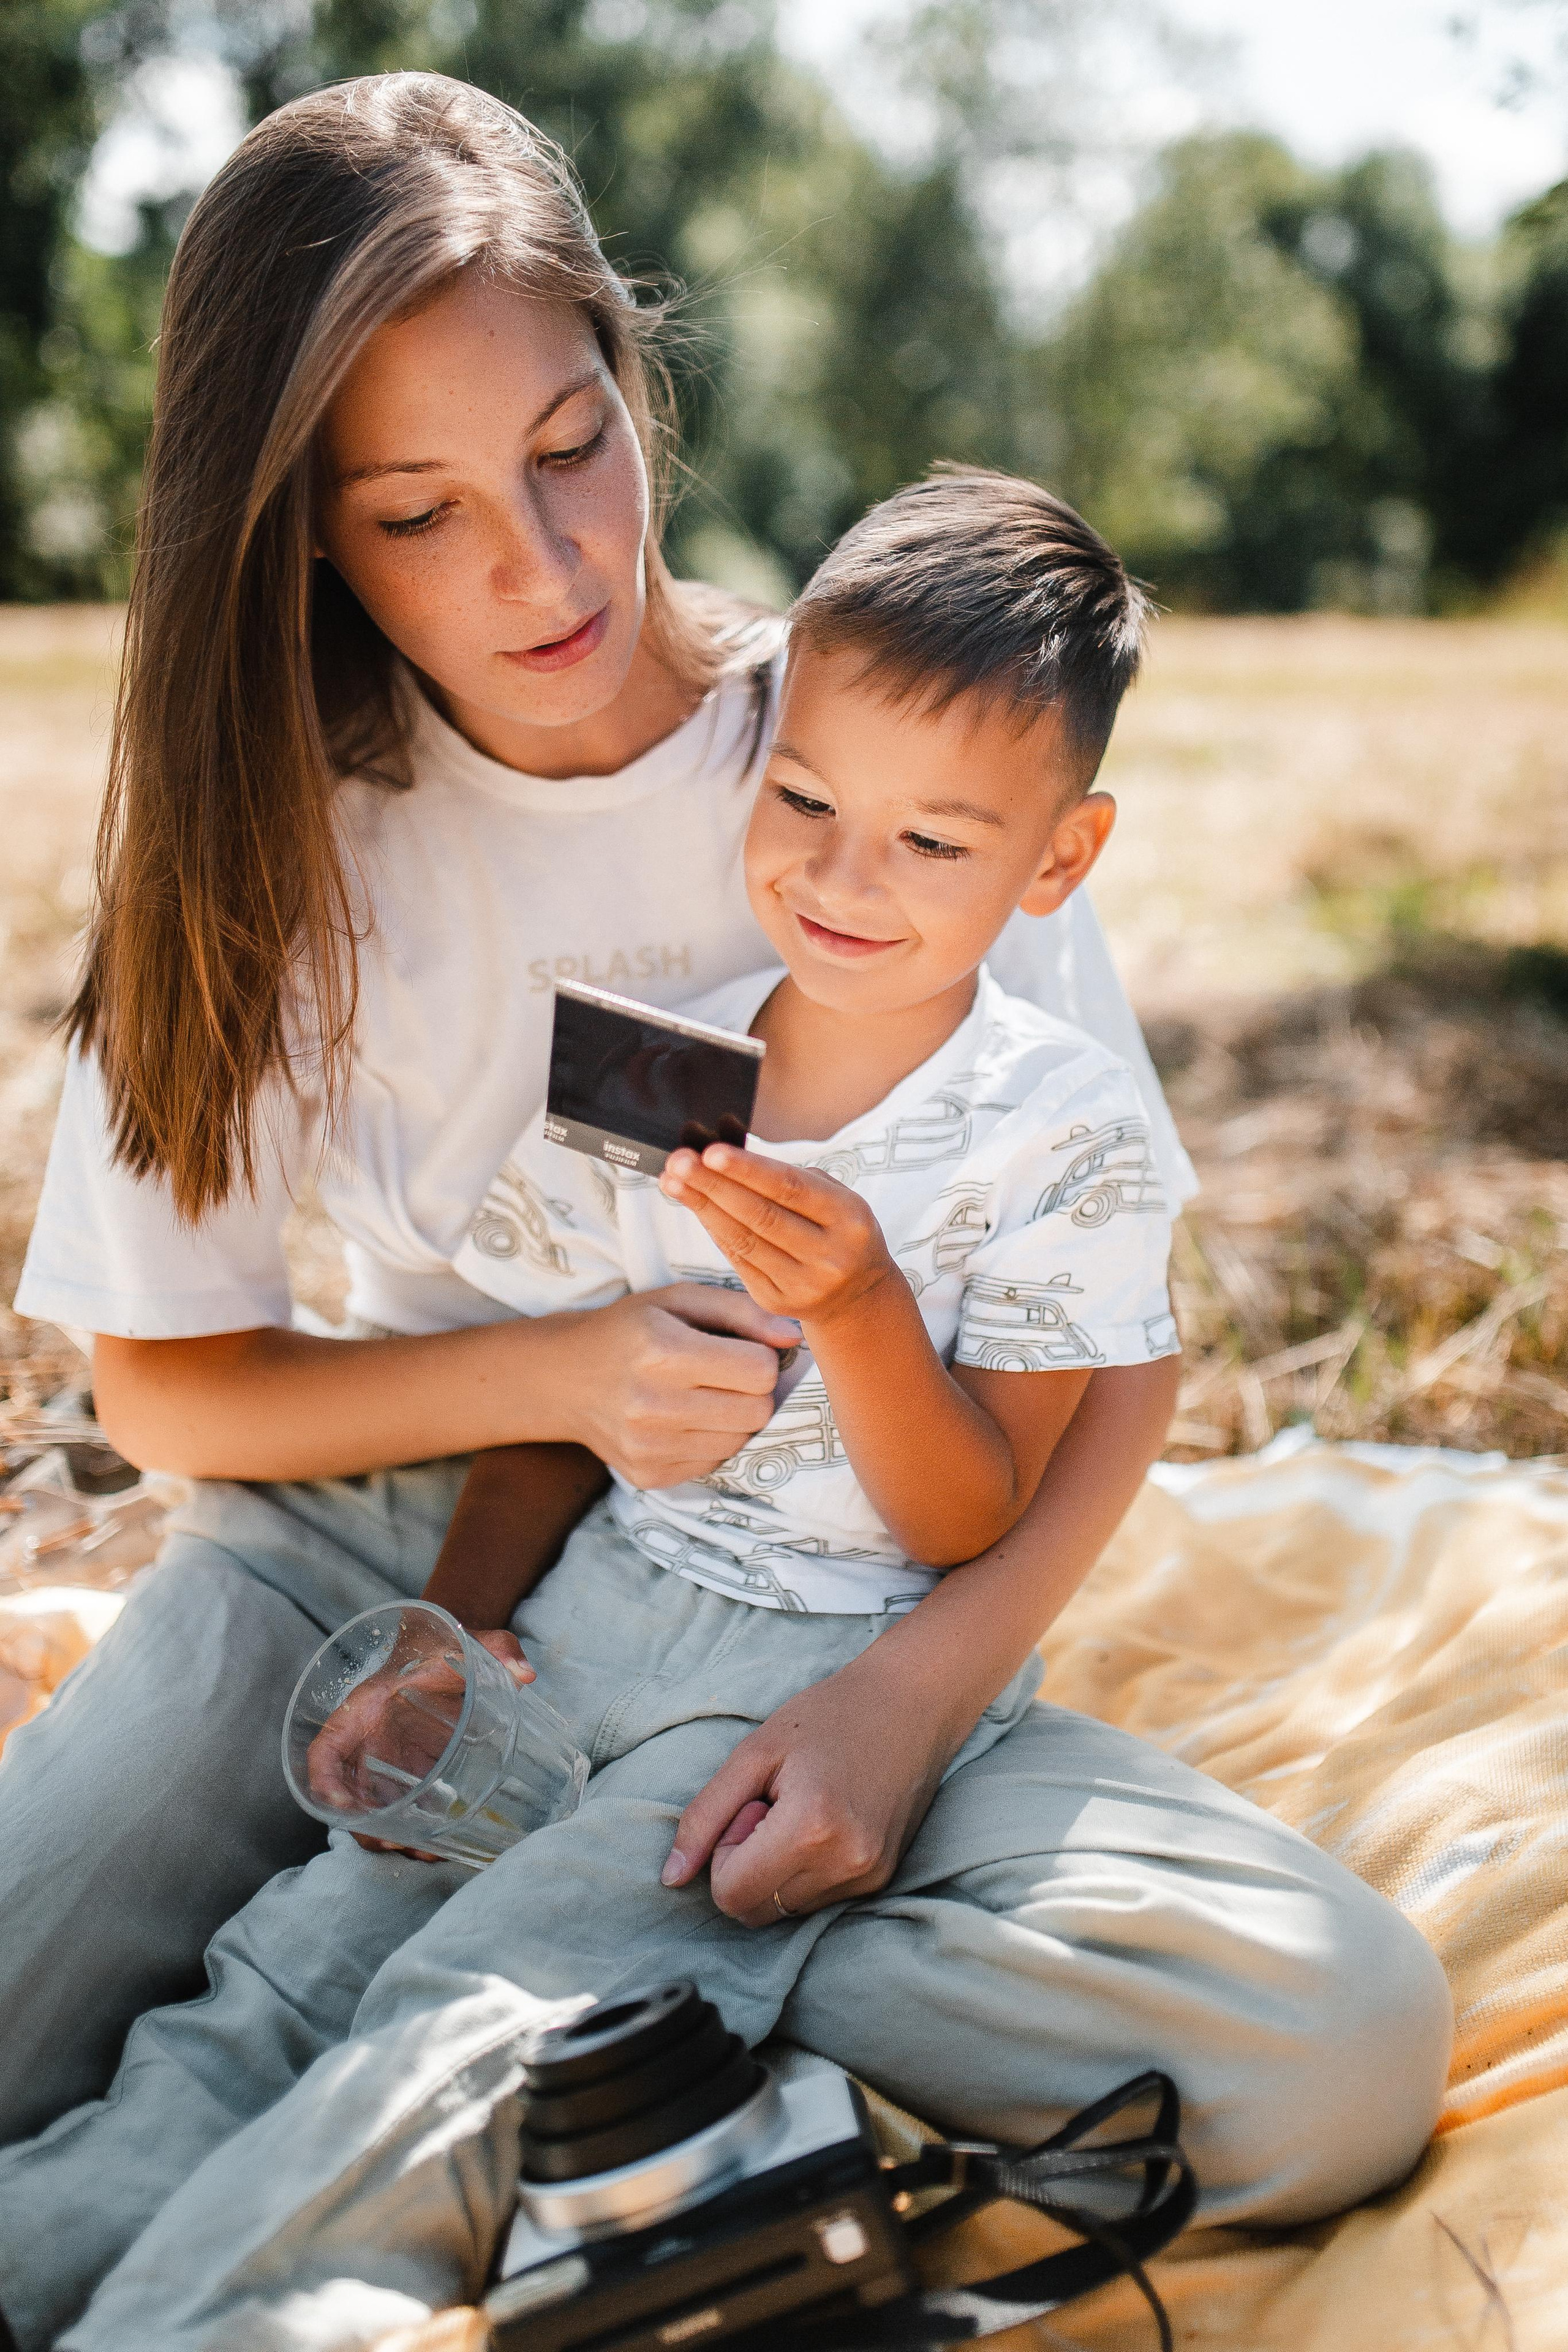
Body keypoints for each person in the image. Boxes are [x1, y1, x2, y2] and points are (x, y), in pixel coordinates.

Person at [0, 480, 1452, 2352]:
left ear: (1059, 864)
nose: (846, 882)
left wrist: (858, 1311)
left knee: (456, 2038)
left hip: (801, 1686)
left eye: (934, 843)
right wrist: (460, 1629)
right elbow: (553, 1400)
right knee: (282, 1990)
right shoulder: (666, 1060)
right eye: (807, 806)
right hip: (588, 1615)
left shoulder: (1062, 1135)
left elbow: (962, 1513)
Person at [0, 69, 1197, 2149]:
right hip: (366, 1534)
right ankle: (477, 2018)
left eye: (573, 449)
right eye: (415, 513)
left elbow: (1110, 1371)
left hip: (833, 1572)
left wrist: (903, 1707)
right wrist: (565, 1374)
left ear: (637, 390)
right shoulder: (266, 845)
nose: (539, 564)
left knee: (1296, 2055)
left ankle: (574, 2035)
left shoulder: (872, 761)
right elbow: (173, 1394)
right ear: (296, 525)